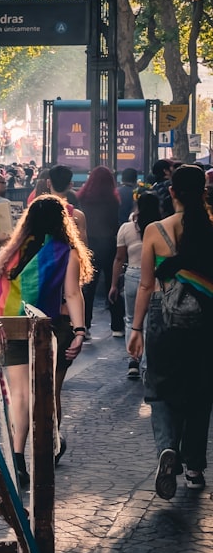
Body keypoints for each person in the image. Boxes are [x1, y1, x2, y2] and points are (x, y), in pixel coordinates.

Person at [0, 194, 91, 487]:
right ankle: (47, 447)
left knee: (20, 395)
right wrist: (79, 331)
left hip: (10, 327)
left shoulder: (12, 249)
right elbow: (72, 294)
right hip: (43, 330)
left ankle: (17, 457)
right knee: (45, 394)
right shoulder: (66, 252)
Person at [128, 164, 213, 499]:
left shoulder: (154, 230)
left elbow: (146, 286)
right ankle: (193, 467)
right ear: (203, 192)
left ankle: (167, 448)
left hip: (163, 321)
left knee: (160, 388)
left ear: (172, 191)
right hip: (206, 322)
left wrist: (136, 329)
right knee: (201, 391)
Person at [110, 190, 161, 379]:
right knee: (148, 323)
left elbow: (118, 257)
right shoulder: (161, 227)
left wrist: (114, 284)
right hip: (154, 277)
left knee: (131, 319)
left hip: (131, 274)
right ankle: (147, 364)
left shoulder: (126, 228)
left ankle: (133, 360)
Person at [78, 166, 121, 337]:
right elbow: (114, 222)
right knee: (113, 283)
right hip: (110, 244)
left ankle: (85, 324)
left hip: (91, 245)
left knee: (89, 286)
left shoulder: (84, 198)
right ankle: (117, 325)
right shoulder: (113, 200)